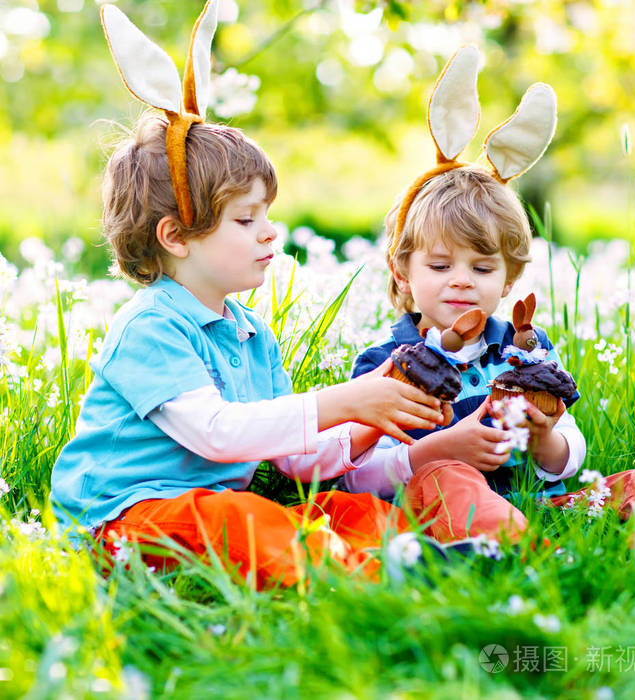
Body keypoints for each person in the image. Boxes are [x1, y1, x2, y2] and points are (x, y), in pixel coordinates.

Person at [50, 2, 446, 588]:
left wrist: (375, 407)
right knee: (242, 518)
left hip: (206, 511)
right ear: (176, 237)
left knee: (342, 509)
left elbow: (300, 461)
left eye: (268, 215)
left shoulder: (249, 334)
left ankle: (422, 559)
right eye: (245, 219)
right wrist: (345, 397)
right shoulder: (149, 328)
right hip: (125, 521)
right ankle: (364, 576)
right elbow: (218, 432)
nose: (269, 232)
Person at [344, 166, 635, 563]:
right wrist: (433, 452)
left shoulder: (527, 350)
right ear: (402, 272)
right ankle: (535, 564)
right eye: (441, 266)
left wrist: (544, 441)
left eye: (481, 268)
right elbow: (356, 474)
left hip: (542, 506)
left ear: (509, 280)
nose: (462, 281)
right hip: (442, 513)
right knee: (449, 478)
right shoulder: (385, 364)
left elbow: (571, 445)